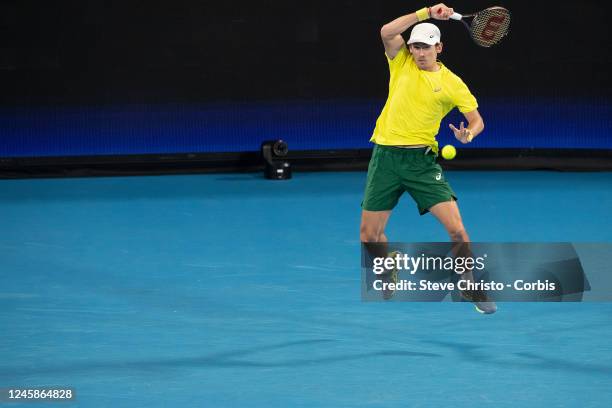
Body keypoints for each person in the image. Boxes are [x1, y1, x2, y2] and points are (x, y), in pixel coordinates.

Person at [360, 3, 496, 314]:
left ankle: (470, 284)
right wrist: (425, 13)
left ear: (439, 48)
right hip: (386, 157)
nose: (419, 53)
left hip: (421, 163)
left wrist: (469, 135)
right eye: (415, 46)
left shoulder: (452, 83)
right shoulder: (401, 62)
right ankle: (387, 264)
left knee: (458, 230)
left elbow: (477, 120)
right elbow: (386, 31)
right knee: (369, 236)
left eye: (425, 47)